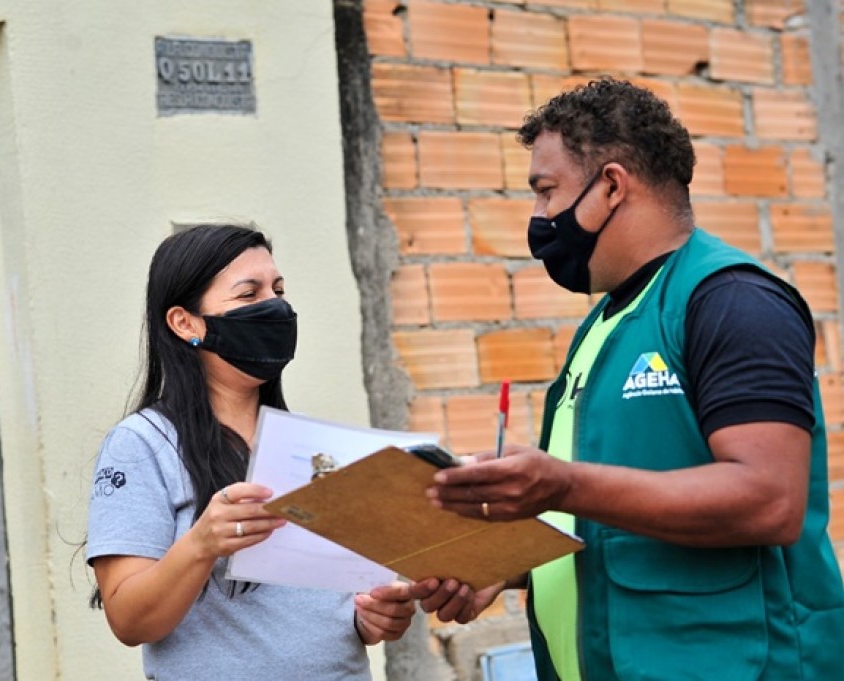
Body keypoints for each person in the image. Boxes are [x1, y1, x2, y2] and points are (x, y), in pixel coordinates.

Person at [424, 78, 844, 680]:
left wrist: (560, 485)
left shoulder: (734, 301)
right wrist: (514, 565)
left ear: (613, 186)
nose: (539, 219)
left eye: (546, 192)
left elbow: (770, 501)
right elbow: (613, 515)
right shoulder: (606, 321)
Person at [86, 224, 438, 679]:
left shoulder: (313, 448)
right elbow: (129, 620)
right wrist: (201, 544)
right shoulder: (141, 445)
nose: (274, 306)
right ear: (184, 323)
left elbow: (326, 608)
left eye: (278, 290)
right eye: (248, 294)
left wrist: (367, 619)